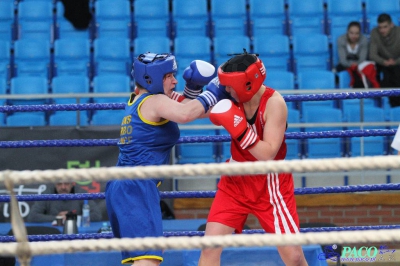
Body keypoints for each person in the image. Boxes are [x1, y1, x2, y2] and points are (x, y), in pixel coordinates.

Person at [105, 52, 230, 266]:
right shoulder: (155, 100)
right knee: (147, 260)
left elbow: (191, 109)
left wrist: (194, 91)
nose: (175, 80)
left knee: (142, 257)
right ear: (151, 77)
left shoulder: (140, 98)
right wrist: (214, 91)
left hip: (123, 185)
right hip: (137, 185)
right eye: (169, 76)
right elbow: (185, 115)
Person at [198, 50, 308, 266]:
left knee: (294, 257)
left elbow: (268, 154)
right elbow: (193, 111)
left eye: (230, 85)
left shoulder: (275, 103)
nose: (226, 89)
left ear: (245, 84)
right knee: (210, 248)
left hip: (270, 183)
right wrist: (190, 92)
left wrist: (241, 130)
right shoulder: (229, 94)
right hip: (235, 180)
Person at [27, 182, 101, 224]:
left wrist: (71, 218)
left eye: (66, 183)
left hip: (76, 234)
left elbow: (97, 215)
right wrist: (58, 218)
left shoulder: (80, 193)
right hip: (53, 236)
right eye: (59, 184)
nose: (63, 187)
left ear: (72, 184)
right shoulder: (47, 194)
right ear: (55, 184)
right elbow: (32, 216)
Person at [369, 13, 400, 107]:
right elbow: (372, 55)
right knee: (387, 76)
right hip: (382, 63)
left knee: (395, 74)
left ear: (392, 25)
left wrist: (395, 62)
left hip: (398, 62)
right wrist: (384, 62)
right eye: (380, 27)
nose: (382, 30)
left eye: (385, 27)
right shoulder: (374, 32)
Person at [336, 21, 379, 88]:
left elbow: (363, 58)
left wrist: (356, 65)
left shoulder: (364, 40)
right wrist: (352, 65)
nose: (354, 36)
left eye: (357, 33)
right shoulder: (341, 40)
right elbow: (343, 60)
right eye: (351, 33)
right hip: (345, 64)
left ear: (360, 33)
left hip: (359, 64)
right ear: (347, 32)